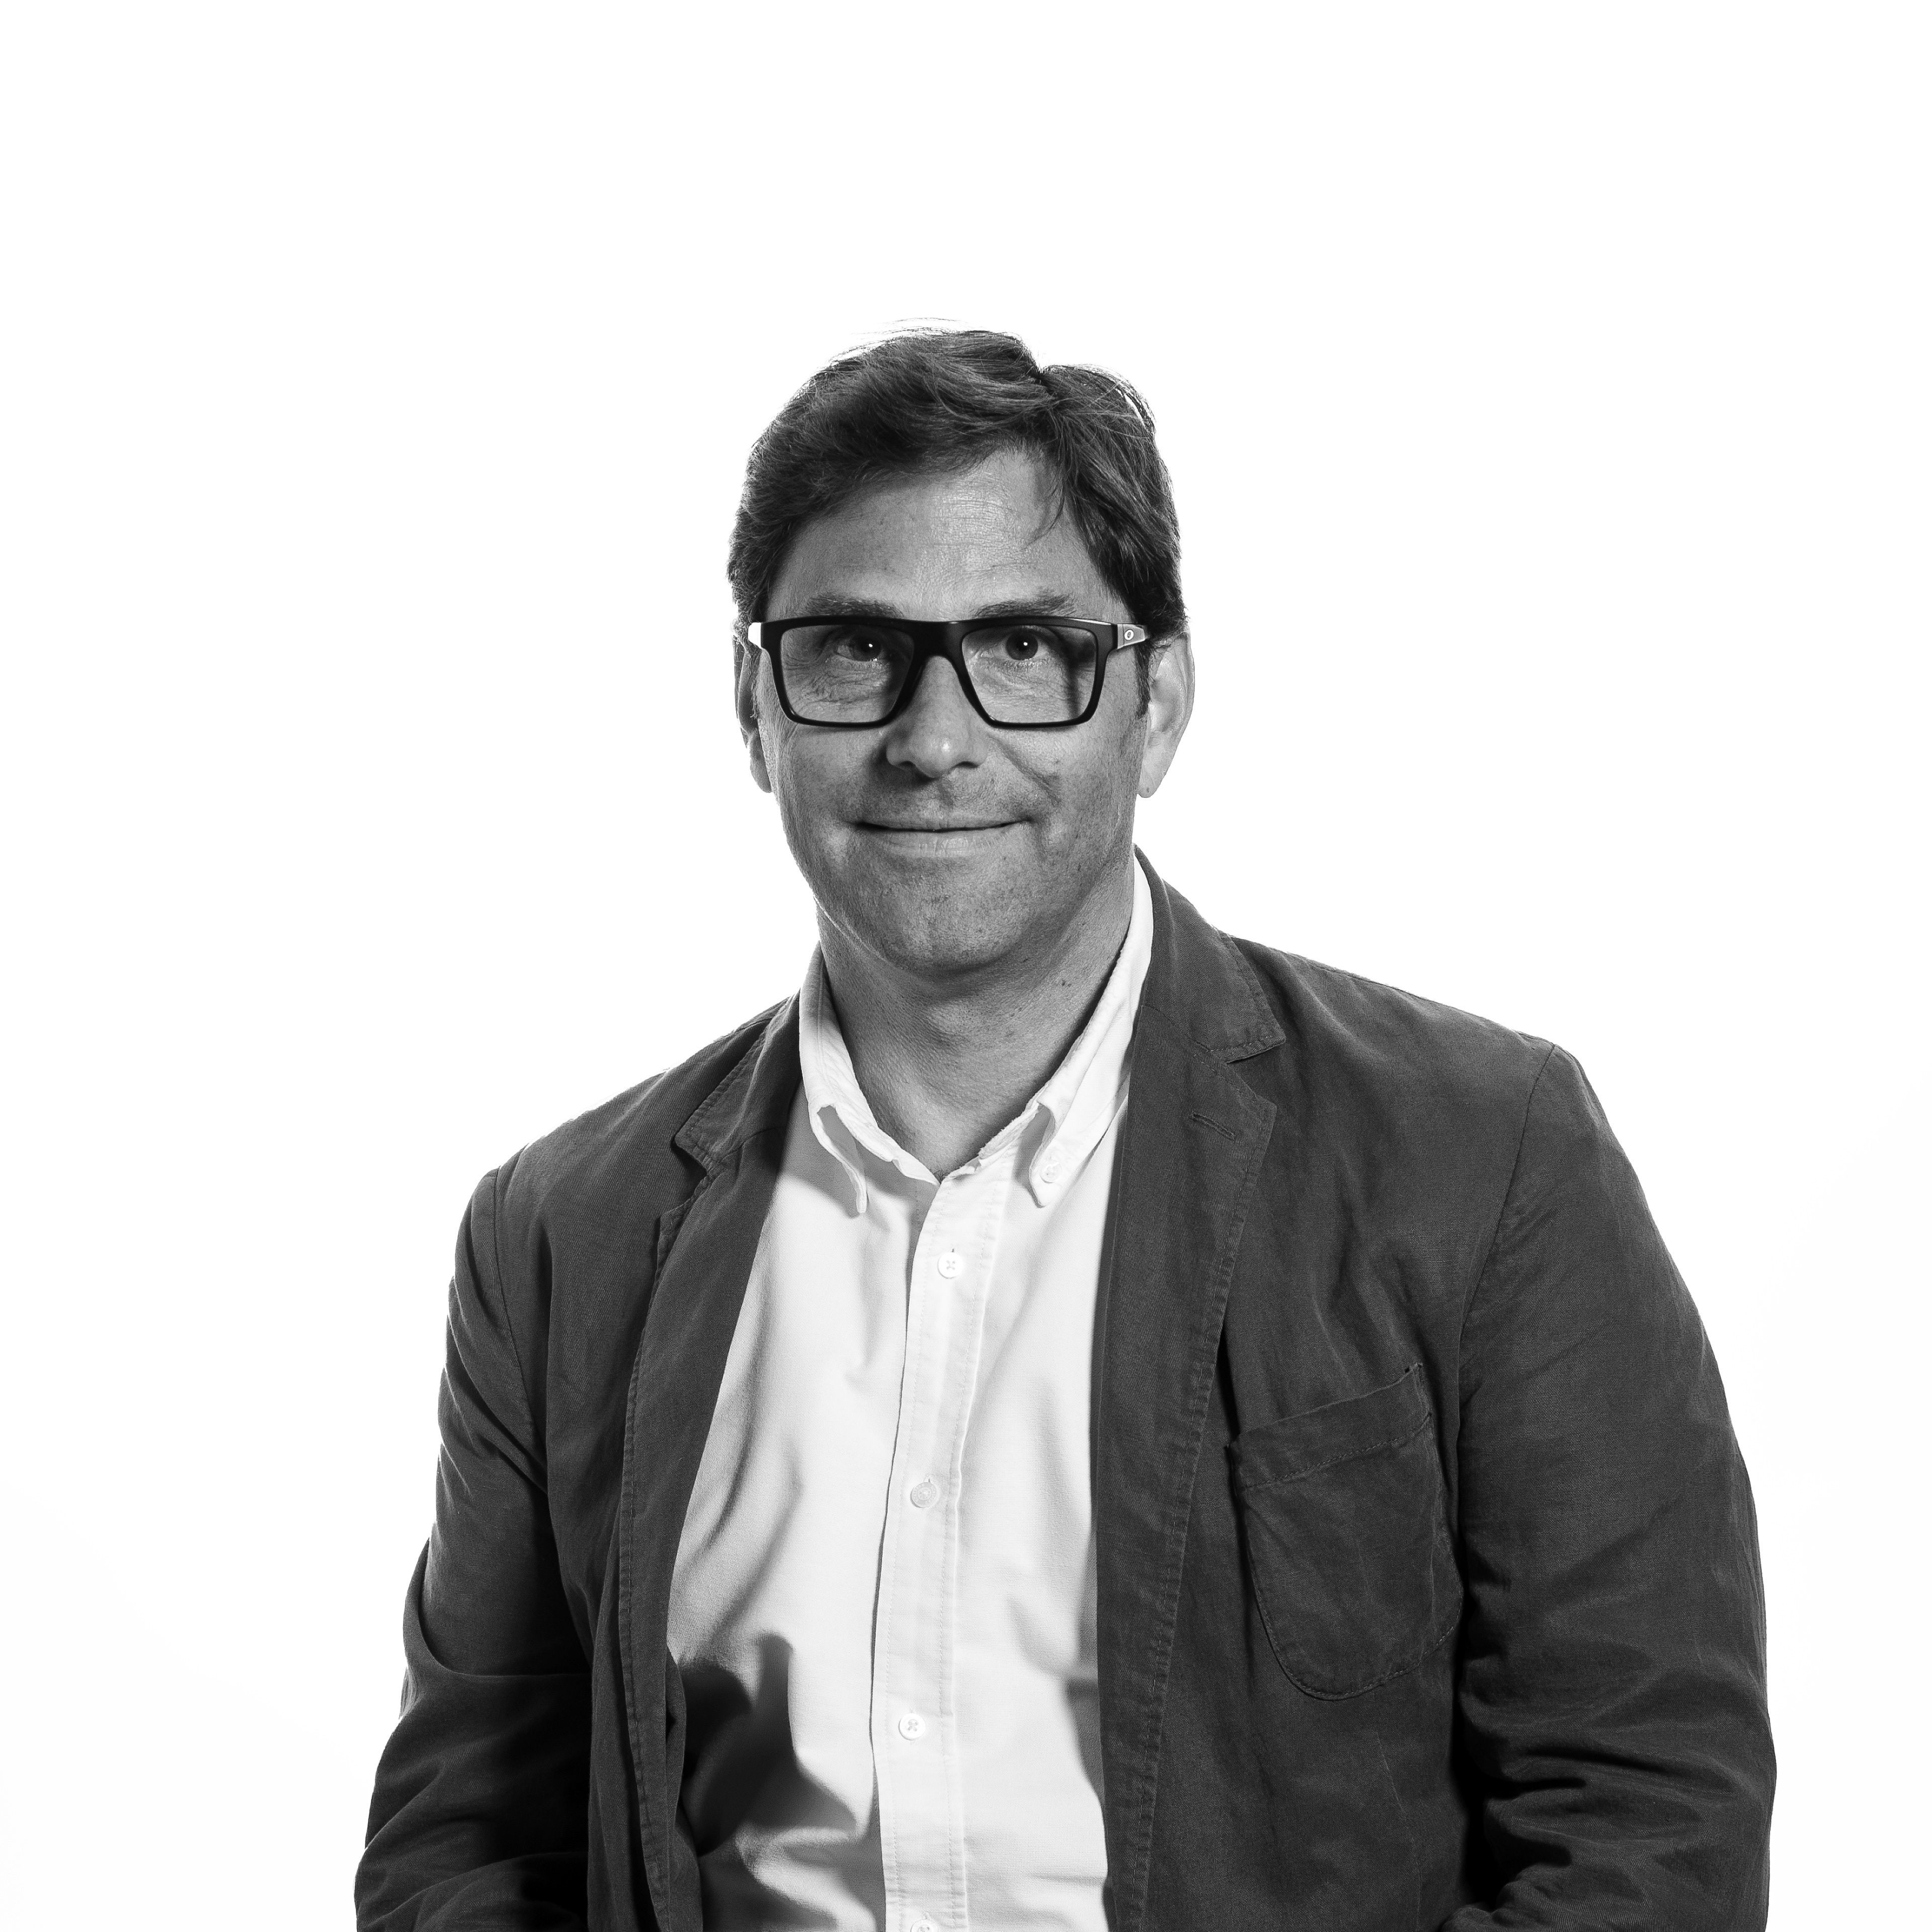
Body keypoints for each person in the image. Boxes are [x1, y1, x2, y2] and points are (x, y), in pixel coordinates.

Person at [357, 330, 1774, 1932]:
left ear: (1157, 704)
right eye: (854, 648)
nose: (934, 738)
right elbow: (468, 1843)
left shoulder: (1481, 1158)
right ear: (755, 707)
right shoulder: (563, 1239)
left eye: (1026, 648)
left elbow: (1648, 1816)